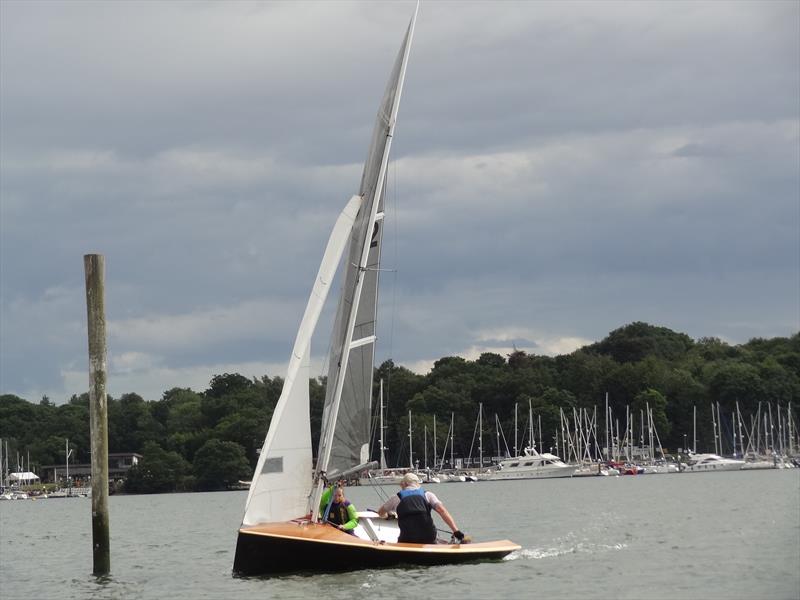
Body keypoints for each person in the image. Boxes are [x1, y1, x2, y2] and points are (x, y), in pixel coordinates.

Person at [378, 472, 466, 544]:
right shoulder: (428, 495)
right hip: (429, 537)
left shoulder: (396, 498)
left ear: (404, 484)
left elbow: (380, 512)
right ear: (417, 484)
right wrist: (455, 531)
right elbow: (442, 511)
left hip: (407, 539)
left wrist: (388, 515)